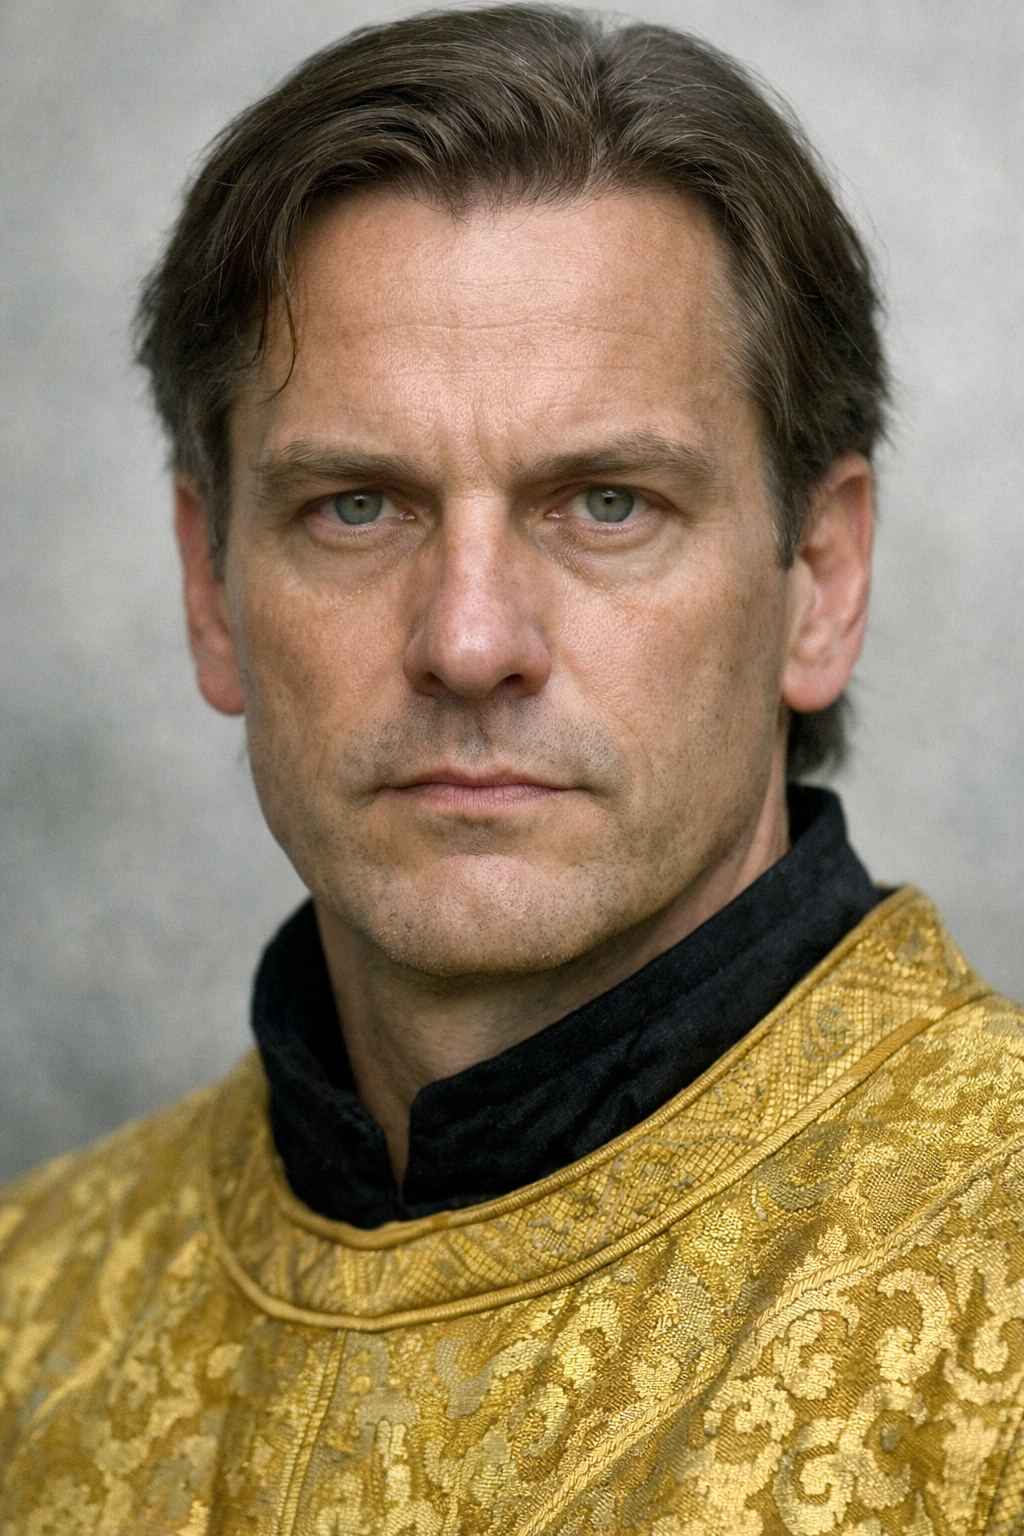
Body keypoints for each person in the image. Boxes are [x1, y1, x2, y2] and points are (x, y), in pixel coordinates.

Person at [2, 7, 1023, 1530]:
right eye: (357, 507)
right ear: (211, 588)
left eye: (605, 503)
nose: (470, 641)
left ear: (819, 579)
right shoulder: (28, 1314)